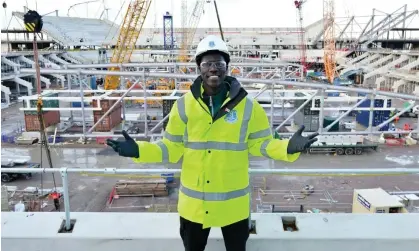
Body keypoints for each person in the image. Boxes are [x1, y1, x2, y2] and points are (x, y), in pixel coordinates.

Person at [106, 35, 319, 251]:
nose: (213, 69)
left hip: (233, 207)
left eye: (219, 63)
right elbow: (170, 148)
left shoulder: (248, 107)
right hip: (194, 207)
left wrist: (287, 148)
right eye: (208, 63)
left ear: (227, 67)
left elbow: (261, 144)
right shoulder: (183, 106)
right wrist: (138, 151)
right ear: (199, 67)